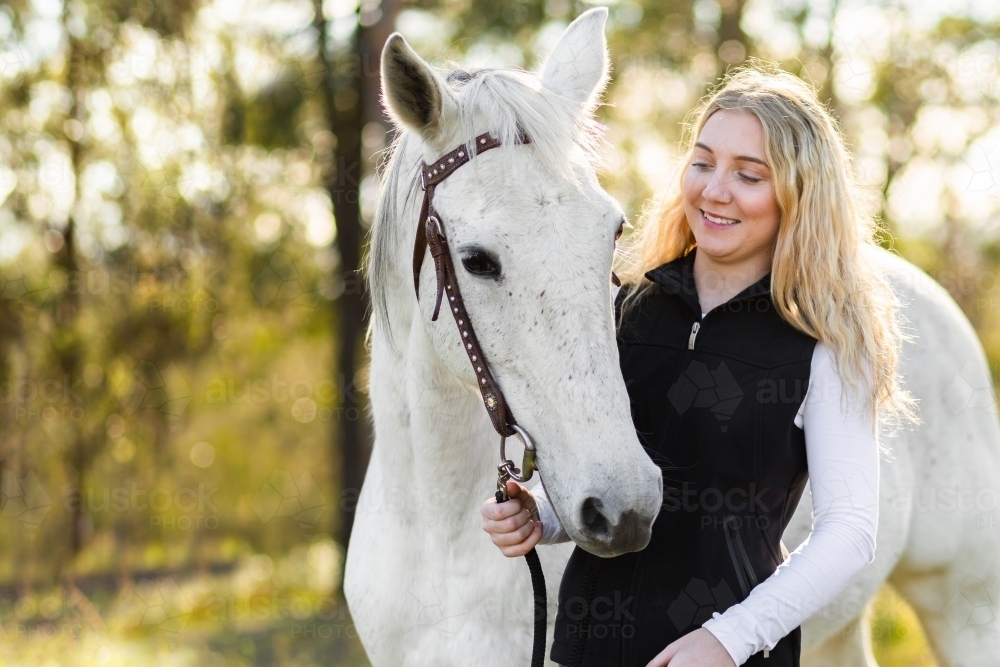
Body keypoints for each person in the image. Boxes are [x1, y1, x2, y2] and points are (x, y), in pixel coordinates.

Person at [480, 63, 915, 667]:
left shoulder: (827, 344)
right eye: (704, 162)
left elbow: (850, 532)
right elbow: (614, 480)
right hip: (587, 648)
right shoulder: (624, 309)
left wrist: (729, 640)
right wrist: (542, 514)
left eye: (749, 175)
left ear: (799, 195)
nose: (715, 189)